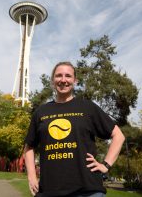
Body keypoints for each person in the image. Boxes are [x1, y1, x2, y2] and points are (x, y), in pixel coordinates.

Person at [24, 62, 125, 197]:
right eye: (59, 75)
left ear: (75, 81)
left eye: (68, 76)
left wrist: (105, 165)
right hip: (49, 191)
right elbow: (29, 146)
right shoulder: (41, 112)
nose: (63, 80)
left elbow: (118, 135)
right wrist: (31, 175)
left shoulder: (87, 107)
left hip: (88, 191)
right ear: (53, 80)